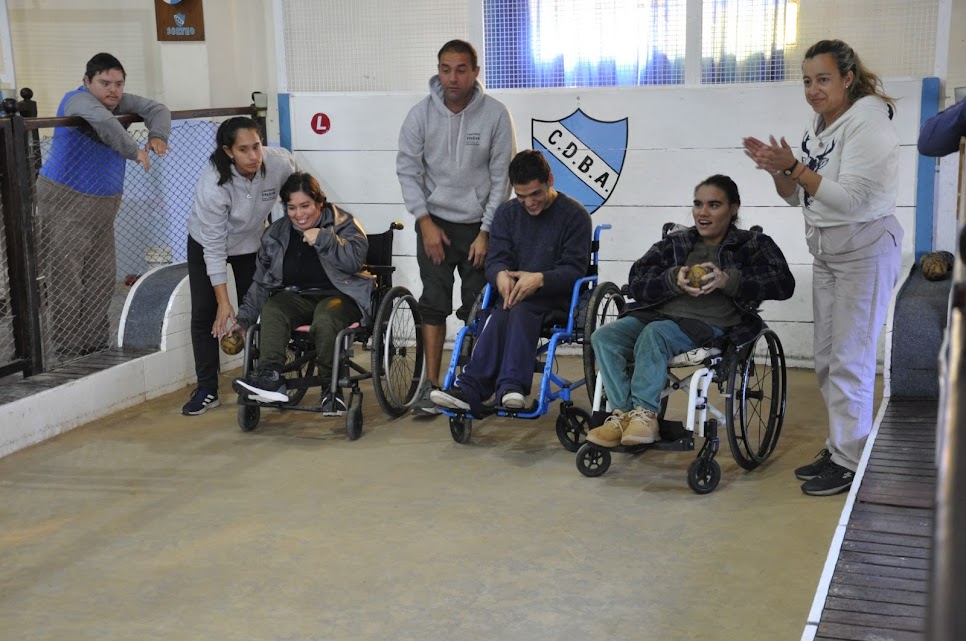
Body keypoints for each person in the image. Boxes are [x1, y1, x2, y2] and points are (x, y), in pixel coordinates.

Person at [742, 39, 903, 496]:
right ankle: (840, 448)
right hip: (830, 254)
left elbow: (851, 200)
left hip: (865, 251)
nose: (813, 89)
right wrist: (777, 170)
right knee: (828, 359)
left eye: (823, 79)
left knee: (850, 360)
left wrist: (793, 164)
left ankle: (851, 461)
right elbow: (796, 196)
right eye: (808, 81)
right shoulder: (822, 124)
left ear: (848, 79)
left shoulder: (867, 124)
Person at [586, 175, 795, 448]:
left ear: (733, 209)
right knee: (605, 337)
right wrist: (673, 279)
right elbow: (637, 280)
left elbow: (783, 284)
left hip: (710, 324)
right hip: (658, 315)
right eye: (698, 204)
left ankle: (646, 415)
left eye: (713, 205)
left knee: (654, 335)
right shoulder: (676, 242)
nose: (702, 212)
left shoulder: (753, 244)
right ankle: (625, 416)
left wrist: (727, 280)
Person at [396, 38, 516, 417]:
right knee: (433, 302)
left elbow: (502, 178)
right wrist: (425, 221)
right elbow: (407, 170)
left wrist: (486, 230)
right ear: (438, 71)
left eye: (461, 69)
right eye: (445, 69)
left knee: (477, 306)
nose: (453, 77)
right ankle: (429, 388)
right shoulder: (420, 115)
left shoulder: (495, 114)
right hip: (435, 224)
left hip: (479, 226)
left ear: (475, 72)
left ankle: (469, 384)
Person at [430, 150, 592, 415]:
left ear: (550, 180)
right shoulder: (506, 214)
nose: (529, 203)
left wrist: (539, 279)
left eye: (536, 194)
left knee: (517, 309)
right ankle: (471, 389)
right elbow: (496, 259)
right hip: (512, 295)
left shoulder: (575, 216)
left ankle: (510, 386)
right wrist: (500, 275)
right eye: (521, 196)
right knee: (501, 311)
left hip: (555, 295)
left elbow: (575, 270)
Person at [36, 52, 171, 357]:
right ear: (87, 81)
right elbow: (102, 122)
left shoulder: (117, 101)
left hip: (102, 210)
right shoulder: (77, 101)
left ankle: (95, 346)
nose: (113, 89)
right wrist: (134, 150)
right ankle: (68, 350)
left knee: (100, 279)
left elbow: (156, 108)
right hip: (64, 202)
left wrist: (158, 135)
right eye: (104, 83)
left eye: (119, 83)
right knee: (66, 281)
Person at [182, 117, 300, 415]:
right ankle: (207, 389)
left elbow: (300, 196)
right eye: (244, 150)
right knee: (207, 315)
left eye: (257, 146)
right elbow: (214, 248)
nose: (253, 156)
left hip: (253, 244)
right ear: (228, 151)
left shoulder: (280, 163)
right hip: (207, 244)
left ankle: (265, 379)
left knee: (262, 310)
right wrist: (224, 303)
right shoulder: (213, 185)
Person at [229, 172, 373, 413]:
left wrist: (324, 238)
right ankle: (270, 377)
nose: (299, 214)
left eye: (305, 206)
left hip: (339, 295)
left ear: (319, 203)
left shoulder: (345, 223)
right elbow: (262, 282)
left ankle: (330, 386)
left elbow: (354, 262)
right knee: (273, 309)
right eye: (292, 208)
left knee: (326, 319)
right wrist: (243, 320)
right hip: (298, 296)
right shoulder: (276, 233)